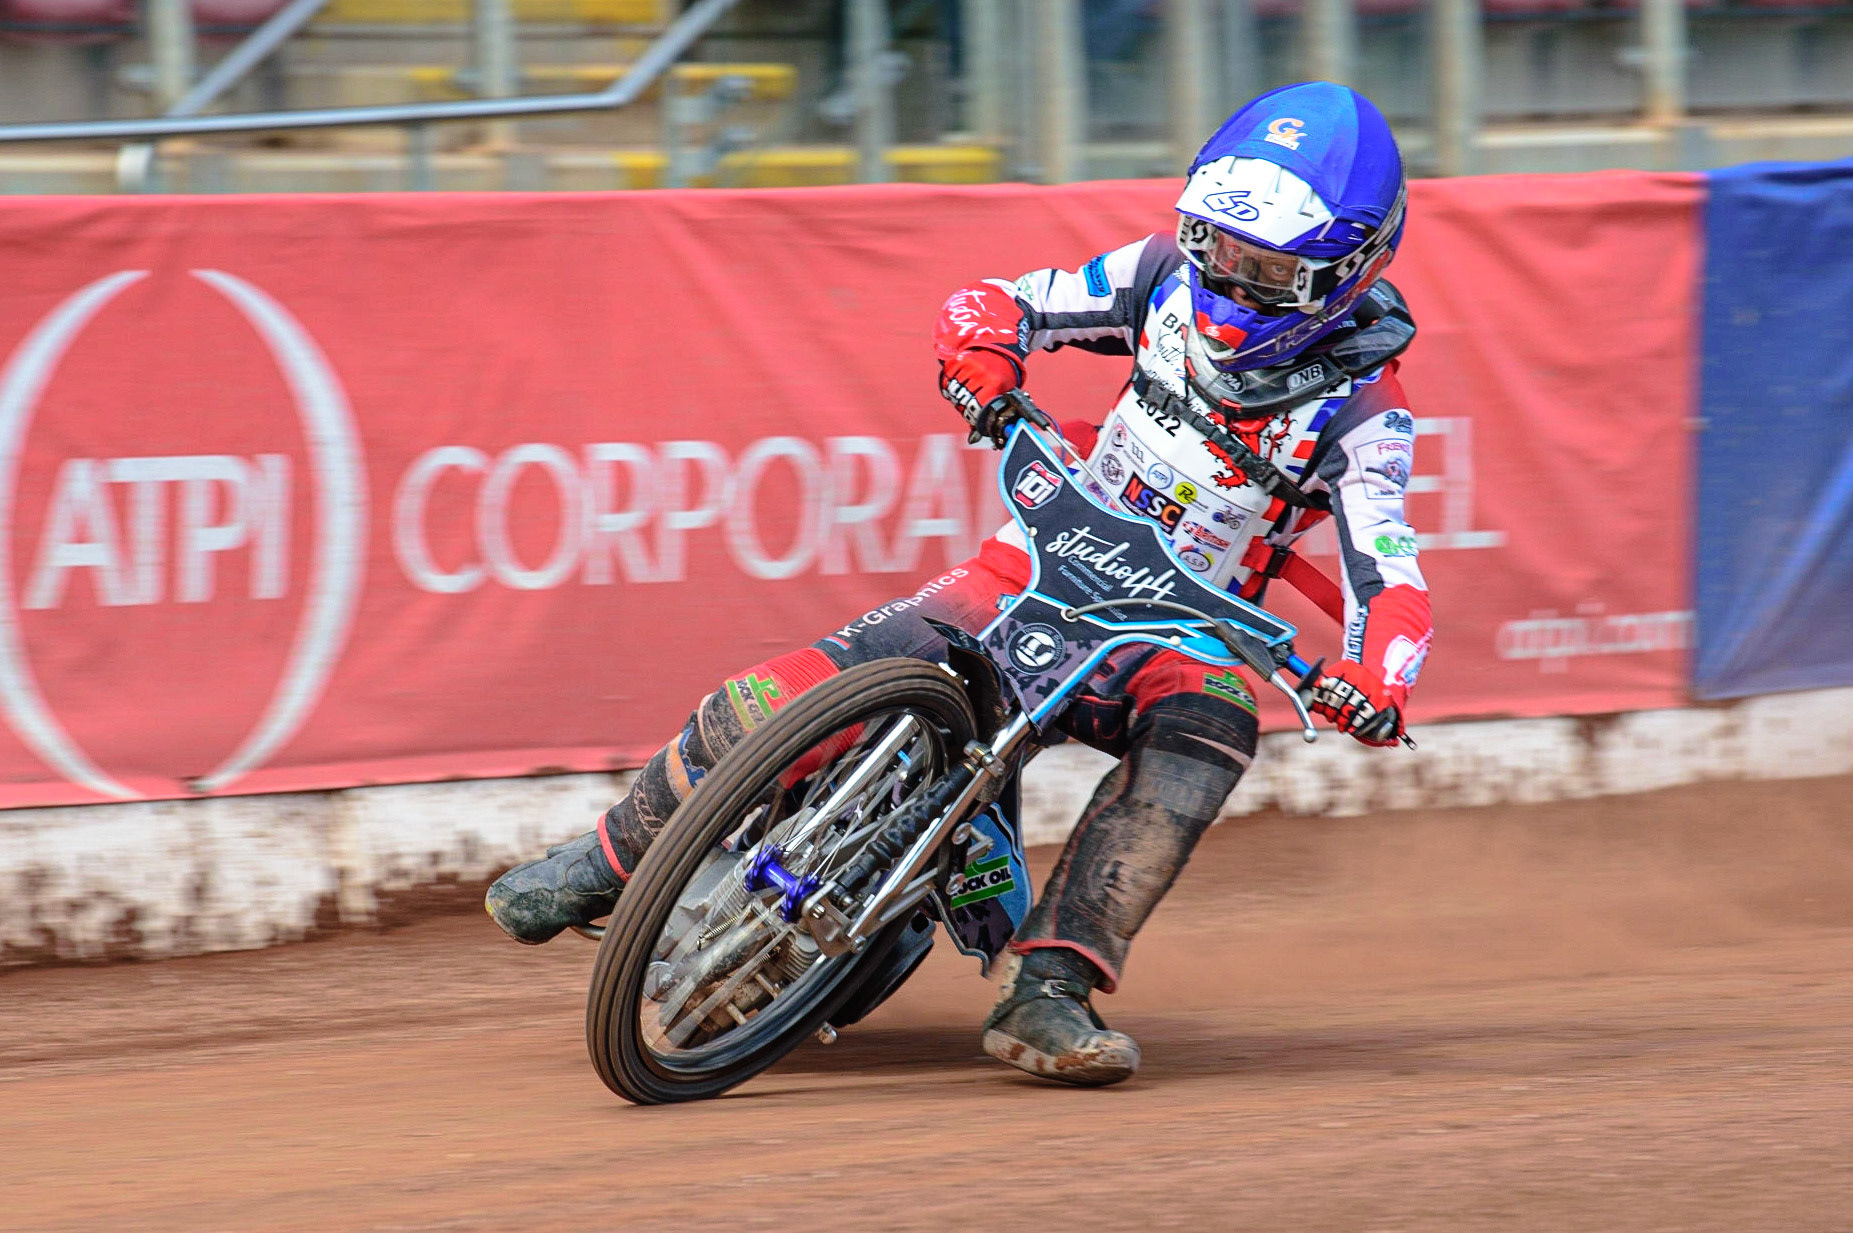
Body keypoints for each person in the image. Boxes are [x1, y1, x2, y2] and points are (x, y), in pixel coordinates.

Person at [486, 81, 1433, 1088]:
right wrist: (978, 356)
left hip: (1177, 626)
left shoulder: (1366, 410)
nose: (1229, 286)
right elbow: (1002, 300)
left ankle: (1047, 991)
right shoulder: (1158, 274)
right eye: (1217, 248)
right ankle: (604, 861)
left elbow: (1389, 569)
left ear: (1348, 271)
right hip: (1032, 563)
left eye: (1269, 272)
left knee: (1213, 727)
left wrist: (1375, 678)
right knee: (782, 692)